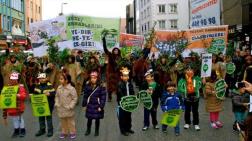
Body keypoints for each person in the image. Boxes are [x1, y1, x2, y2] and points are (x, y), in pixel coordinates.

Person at [2, 72, 27, 138]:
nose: (12, 80)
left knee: (20, 119)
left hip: (18, 106)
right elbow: (5, 97)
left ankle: (22, 130)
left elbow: (24, 96)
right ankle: (16, 130)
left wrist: (18, 95)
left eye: (14, 79)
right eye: (11, 79)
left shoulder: (20, 87)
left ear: (17, 80)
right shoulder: (7, 88)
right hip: (11, 107)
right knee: (14, 119)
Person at [82, 71, 106, 136]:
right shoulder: (87, 85)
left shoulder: (101, 86)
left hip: (97, 105)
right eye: (91, 78)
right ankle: (88, 130)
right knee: (89, 119)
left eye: (94, 78)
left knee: (97, 119)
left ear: (97, 78)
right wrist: (84, 105)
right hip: (90, 105)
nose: (93, 79)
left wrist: (101, 106)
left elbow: (103, 97)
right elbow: (85, 96)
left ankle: (96, 130)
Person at [178, 66, 202, 131]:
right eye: (188, 70)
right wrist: (186, 91)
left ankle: (196, 123)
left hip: (195, 97)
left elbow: (200, 84)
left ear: (194, 71)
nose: (189, 71)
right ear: (185, 71)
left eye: (191, 70)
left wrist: (195, 89)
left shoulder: (197, 78)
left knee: (195, 111)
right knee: (187, 111)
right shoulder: (182, 79)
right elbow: (179, 87)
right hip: (187, 97)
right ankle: (187, 122)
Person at [55, 73, 78, 139]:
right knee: (63, 121)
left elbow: (75, 98)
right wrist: (57, 103)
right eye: (59, 79)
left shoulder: (71, 89)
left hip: (68, 108)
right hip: (61, 108)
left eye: (61, 79)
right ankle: (64, 132)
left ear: (66, 80)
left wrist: (71, 106)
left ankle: (72, 132)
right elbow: (57, 96)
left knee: (70, 121)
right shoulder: (59, 88)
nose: (60, 80)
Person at [33, 73, 56, 137]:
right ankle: (42, 130)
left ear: (46, 78)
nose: (41, 79)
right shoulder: (37, 85)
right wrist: (32, 96)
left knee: (48, 118)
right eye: (40, 78)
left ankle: (50, 131)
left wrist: (50, 94)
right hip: (40, 105)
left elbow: (54, 93)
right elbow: (35, 93)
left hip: (49, 105)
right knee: (41, 118)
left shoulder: (50, 85)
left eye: (43, 78)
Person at [117, 67, 135, 136]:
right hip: (122, 104)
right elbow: (120, 93)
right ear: (121, 77)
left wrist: (133, 99)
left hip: (129, 103)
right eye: (124, 76)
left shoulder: (130, 84)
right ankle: (123, 130)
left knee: (128, 117)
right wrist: (125, 100)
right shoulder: (119, 84)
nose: (126, 77)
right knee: (122, 118)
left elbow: (132, 92)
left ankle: (128, 128)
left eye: (127, 76)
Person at [102, 35, 121, 102]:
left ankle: (118, 97)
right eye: (115, 50)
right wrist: (104, 41)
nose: (116, 51)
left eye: (117, 50)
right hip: (111, 74)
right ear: (113, 51)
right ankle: (109, 97)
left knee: (118, 86)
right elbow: (105, 50)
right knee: (110, 86)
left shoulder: (120, 58)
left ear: (118, 51)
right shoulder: (110, 56)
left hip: (118, 74)